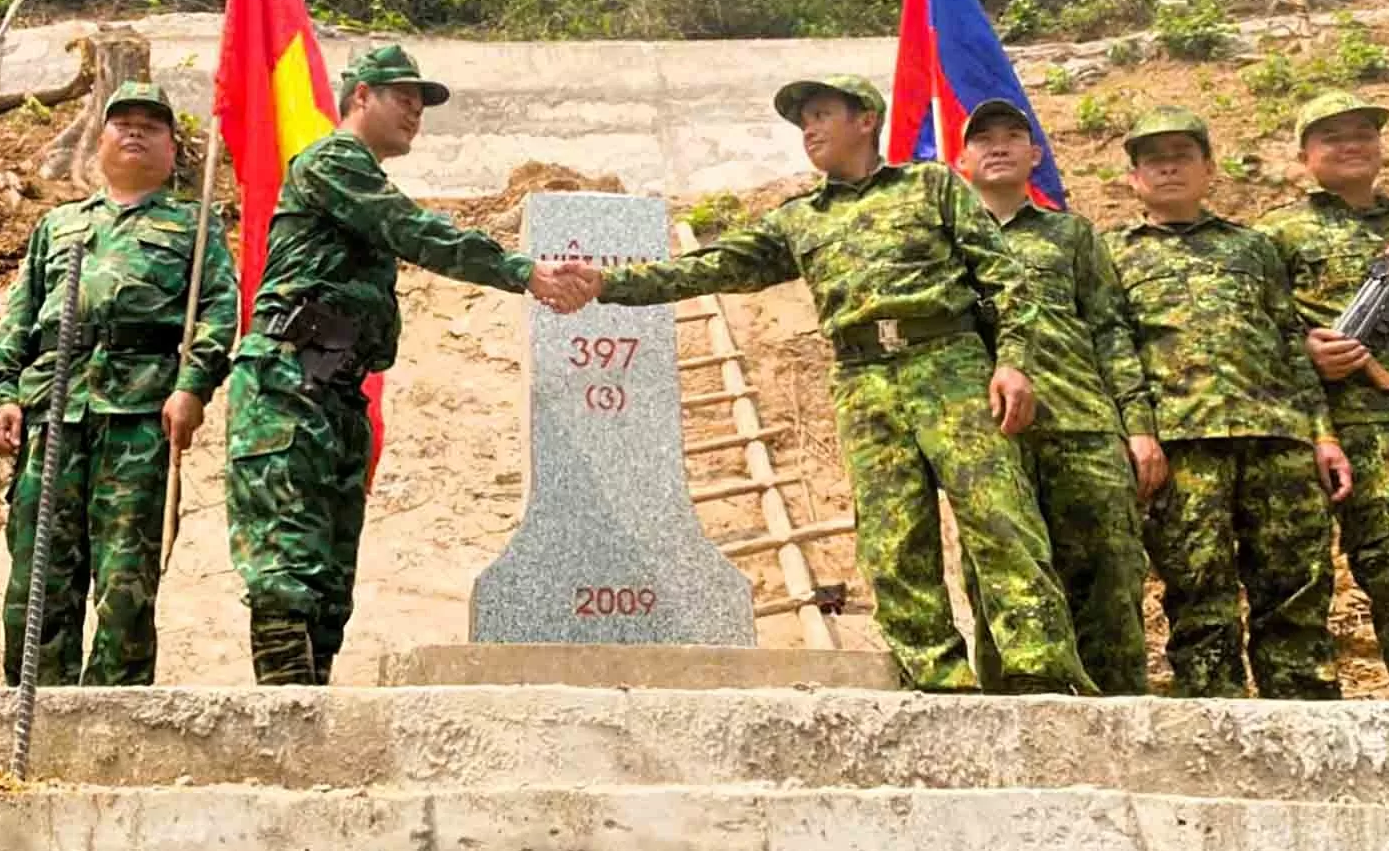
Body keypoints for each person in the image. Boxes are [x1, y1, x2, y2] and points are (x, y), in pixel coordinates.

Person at [559, 75, 1092, 694]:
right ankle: (940, 681)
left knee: (1000, 521)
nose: (808, 130)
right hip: (863, 378)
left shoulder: (931, 185)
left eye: (820, 114)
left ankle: (1042, 677)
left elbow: (1006, 279)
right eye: (803, 120)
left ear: (866, 120)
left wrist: (1013, 361)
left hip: (949, 362)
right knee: (894, 539)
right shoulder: (799, 220)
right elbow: (712, 265)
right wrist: (605, 285)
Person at [226, 43, 588, 685]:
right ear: (360, 96)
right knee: (288, 570)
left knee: (330, 584)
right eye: (403, 98)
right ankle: (282, 725)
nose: (416, 113)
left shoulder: (360, 176)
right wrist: (520, 269)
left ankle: (309, 717)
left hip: (331, 387)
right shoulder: (333, 161)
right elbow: (414, 231)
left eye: (422, 105)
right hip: (289, 382)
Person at [0, 81, 239, 686]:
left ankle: (114, 715)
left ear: (172, 149)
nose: (134, 133)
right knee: (39, 573)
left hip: (138, 414)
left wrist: (193, 386)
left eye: (150, 126)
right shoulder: (59, 226)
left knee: (125, 578)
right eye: (121, 123)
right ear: (97, 142)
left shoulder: (192, 227)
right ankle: (33, 708)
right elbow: (21, 314)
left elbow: (219, 310)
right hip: (54, 412)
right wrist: (4, 392)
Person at [1104, 107, 1347, 699]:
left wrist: (1323, 434)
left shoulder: (1254, 248)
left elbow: (1290, 342)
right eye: (1153, 159)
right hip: (1183, 446)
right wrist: (1140, 434)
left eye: (1181, 155)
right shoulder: (1110, 253)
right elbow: (1113, 347)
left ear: (1208, 168)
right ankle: (1215, 725)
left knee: (1295, 590)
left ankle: (1308, 726)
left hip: (1277, 440)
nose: (1168, 168)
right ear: (1135, 178)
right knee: (1199, 597)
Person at [1256, 91, 1389, 696]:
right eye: (1332, 137)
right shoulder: (1278, 234)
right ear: (1305, 155)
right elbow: (1258, 331)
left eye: (1362, 132)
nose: (1350, 144)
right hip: (1367, 431)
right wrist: (1308, 352)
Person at [958, 98, 1156, 694]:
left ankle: (1122, 719)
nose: (998, 145)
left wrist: (1138, 425)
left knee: (1112, 580)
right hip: (989, 440)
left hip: (1083, 428)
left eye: (1013, 136)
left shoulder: (1070, 234)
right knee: (1002, 585)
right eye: (983, 138)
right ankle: (1011, 723)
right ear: (961, 159)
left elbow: (1109, 330)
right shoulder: (945, 242)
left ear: (1034, 155)